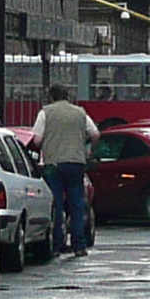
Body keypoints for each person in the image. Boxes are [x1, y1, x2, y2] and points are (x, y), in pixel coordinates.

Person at [34, 87, 99, 255]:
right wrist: (88, 152)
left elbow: (37, 139)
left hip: (53, 164)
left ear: (51, 97)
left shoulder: (45, 113)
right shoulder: (80, 113)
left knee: (56, 204)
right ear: (67, 97)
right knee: (77, 204)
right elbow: (95, 134)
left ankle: (56, 245)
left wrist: (44, 149)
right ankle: (79, 245)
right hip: (76, 163)